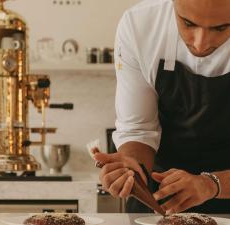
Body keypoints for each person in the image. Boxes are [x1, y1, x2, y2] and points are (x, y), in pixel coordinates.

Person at [95, 0, 230, 214]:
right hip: (159, 199)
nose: (200, 43)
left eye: (221, 28)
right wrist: (131, 168)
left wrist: (211, 184)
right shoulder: (140, 26)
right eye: (187, 23)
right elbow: (139, 130)